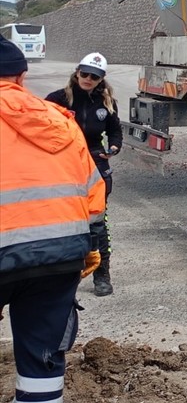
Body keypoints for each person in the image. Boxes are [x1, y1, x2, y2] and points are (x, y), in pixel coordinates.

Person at [0, 36, 105, 403]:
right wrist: (92, 245)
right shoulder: (59, 122)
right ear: (21, 77)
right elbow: (91, 189)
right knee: (42, 359)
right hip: (59, 253)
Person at [45, 52, 121, 297]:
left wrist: (113, 148)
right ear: (77, 72)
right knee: (64, 222)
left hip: (96, 164)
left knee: (97, 224)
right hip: (66, 163)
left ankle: (102, 276)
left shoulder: (107, 101)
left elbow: (115, 132)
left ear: (101, 79)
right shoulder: (57, 99)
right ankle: (64, 276)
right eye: (85, 73)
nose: (88, 79)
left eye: (94, 76)